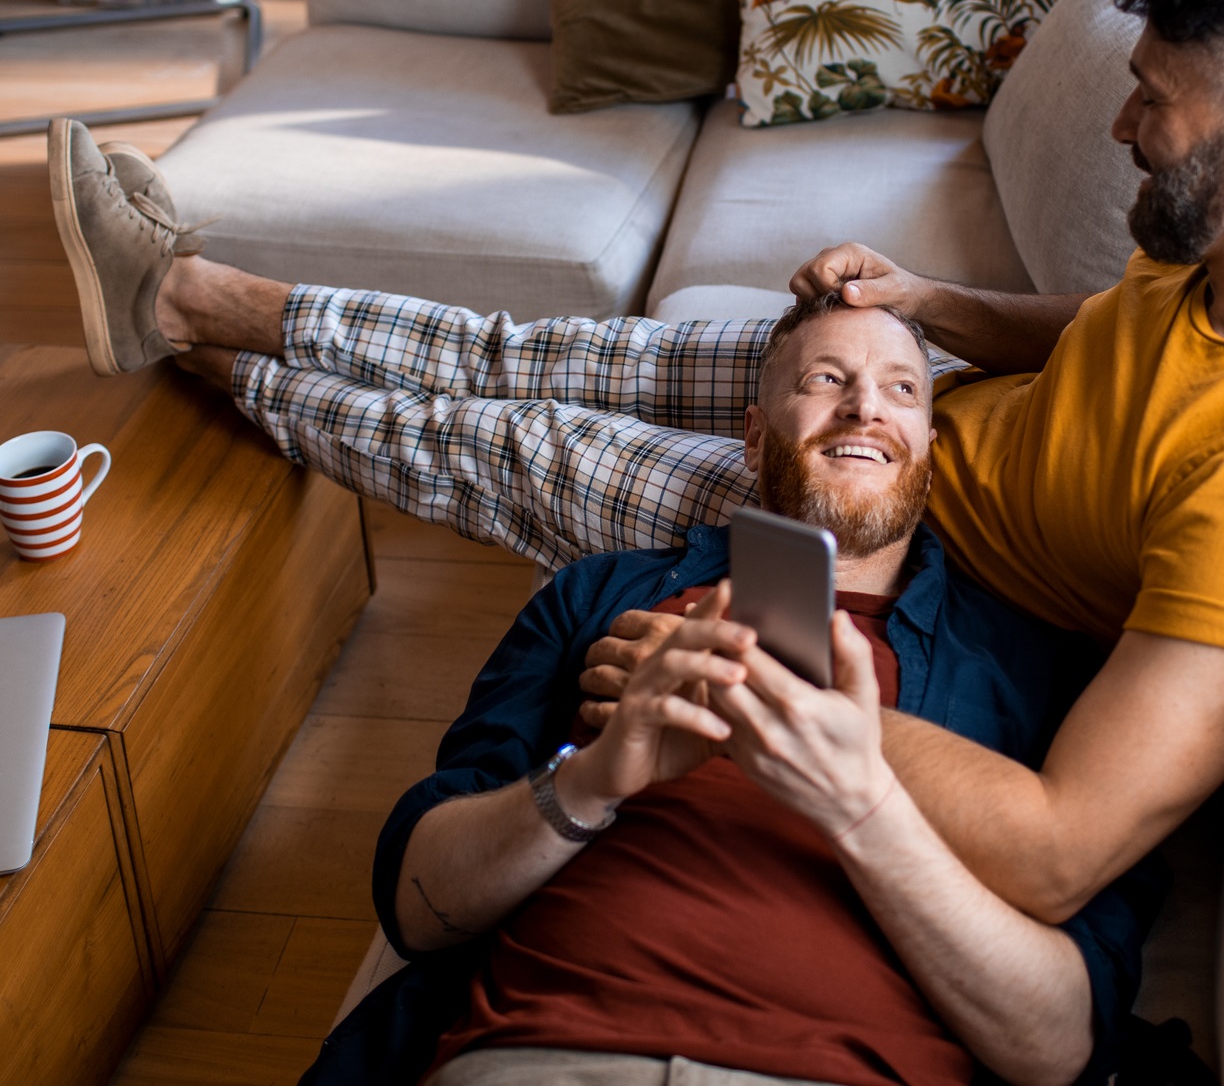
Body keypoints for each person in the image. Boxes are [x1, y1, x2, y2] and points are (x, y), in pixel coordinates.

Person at [48, 0, 1224, 932]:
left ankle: (188, 344)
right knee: (542, 353)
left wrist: (773, 673)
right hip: (921, 408)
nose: (1127, 126)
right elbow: (1105, 335)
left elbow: (1065, 845)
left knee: (506, 443)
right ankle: (202, 294)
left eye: (1156, 103)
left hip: (895, 543)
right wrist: (928, 304)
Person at [305, 294, 1165, 1086]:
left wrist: (861, 802)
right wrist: (593, 776)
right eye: (827, 379)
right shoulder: (601, 596)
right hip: (544, 1054)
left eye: (902, 388)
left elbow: (1060, 1042)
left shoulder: (1033, 661)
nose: (865, 405)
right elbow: (419, 905)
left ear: (930, 448)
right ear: (755, 437)